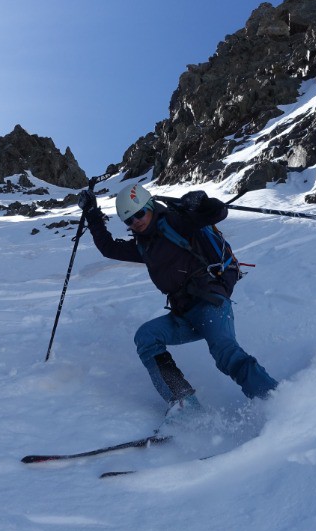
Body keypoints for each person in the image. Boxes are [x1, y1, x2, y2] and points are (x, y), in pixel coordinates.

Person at [78, 182, 277, 426]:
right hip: (184, 314)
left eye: (139, 213)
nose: (136, 222)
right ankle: (184, 403)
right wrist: (91, 213)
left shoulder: (176, 222)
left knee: (224, 353)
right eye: (129, 220)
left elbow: (217, 213)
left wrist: (201, 201)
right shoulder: (144, 245)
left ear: (150, 206)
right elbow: (109, 248)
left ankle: (274, 401)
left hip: (210, 303)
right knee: (147, 337)